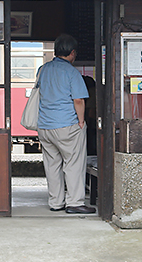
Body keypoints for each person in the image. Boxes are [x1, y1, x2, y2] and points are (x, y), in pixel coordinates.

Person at [36, 34, 96, 214]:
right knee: (73, 164)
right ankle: (75, 202)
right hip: (67, 125)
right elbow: (78, 100)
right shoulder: (71, 72)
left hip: (45, 126)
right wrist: (81, 121)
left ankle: (56, 202)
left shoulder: (43, 69)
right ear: (72, 53)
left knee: (52, 165)